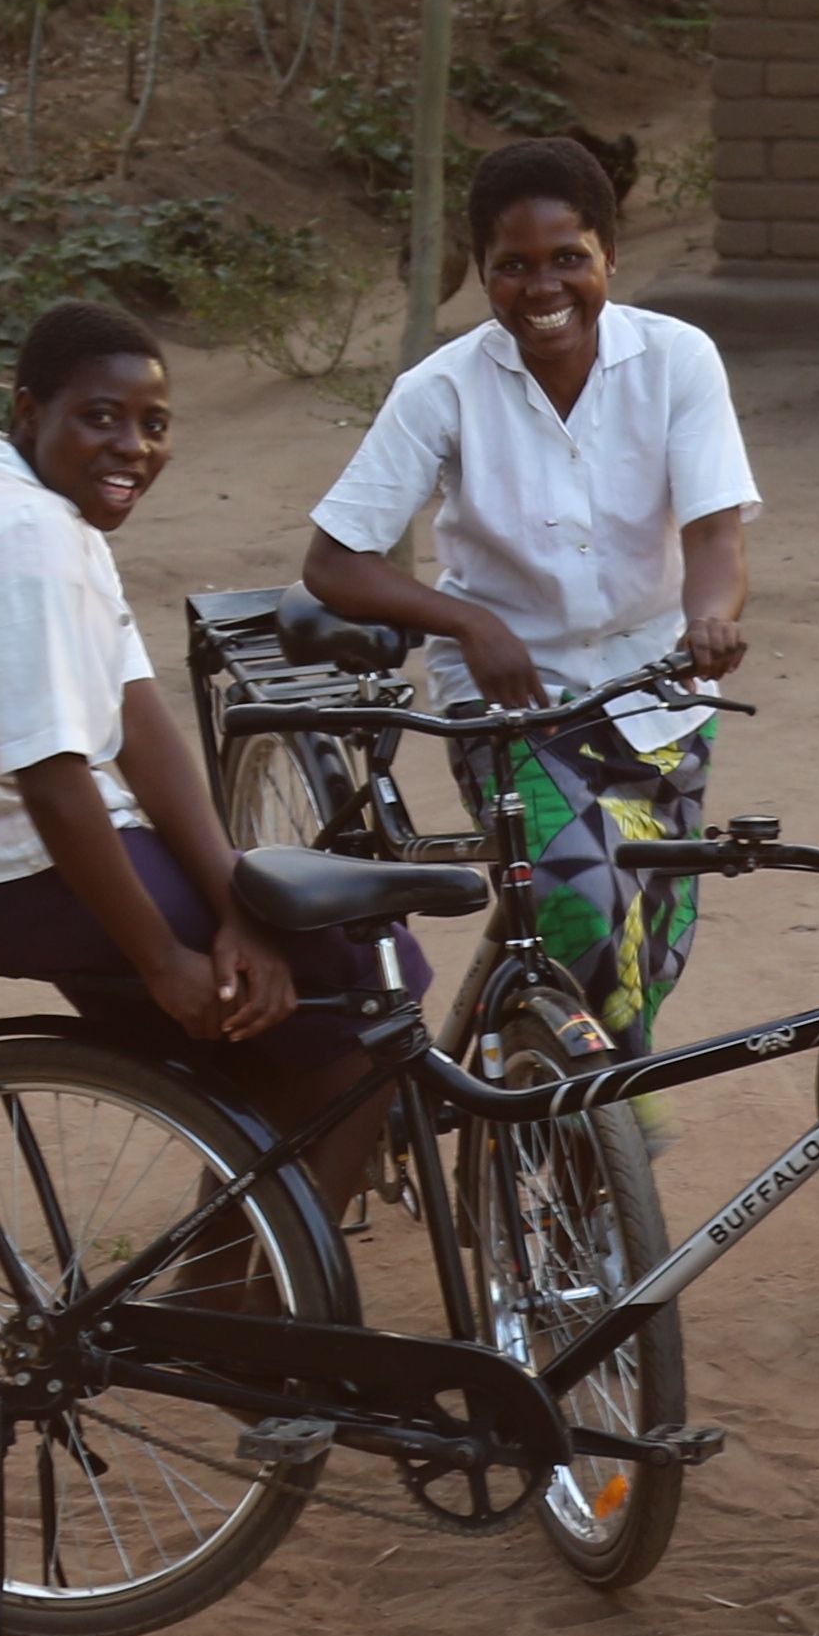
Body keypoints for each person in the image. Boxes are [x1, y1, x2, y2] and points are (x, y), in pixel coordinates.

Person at [0, 298, 398, 1199]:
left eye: (154, 425)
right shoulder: (22, 535)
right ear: (29, 414)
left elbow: (139, 722)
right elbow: (51, 775)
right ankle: (249, 1320)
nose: (133, 448)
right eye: (99, 418)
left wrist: (239, 904)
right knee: (367, 998)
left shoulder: (42, 511)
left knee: (307, 972)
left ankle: (241, 1281)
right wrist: (163, 959)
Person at [300, 135, 757, 1048]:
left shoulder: (678, 360)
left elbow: (714, 533)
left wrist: (709, 618)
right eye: (514, 266)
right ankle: (593, 1116)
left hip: (656, 691)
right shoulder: (443, 389)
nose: (543, 290)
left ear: (610, 258)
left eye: (569, 260)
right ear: (483, 274)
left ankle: (544, 1072)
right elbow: (335, 560)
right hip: (513, 703)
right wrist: (469, 623)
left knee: (657, 937)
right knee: (586, 905)